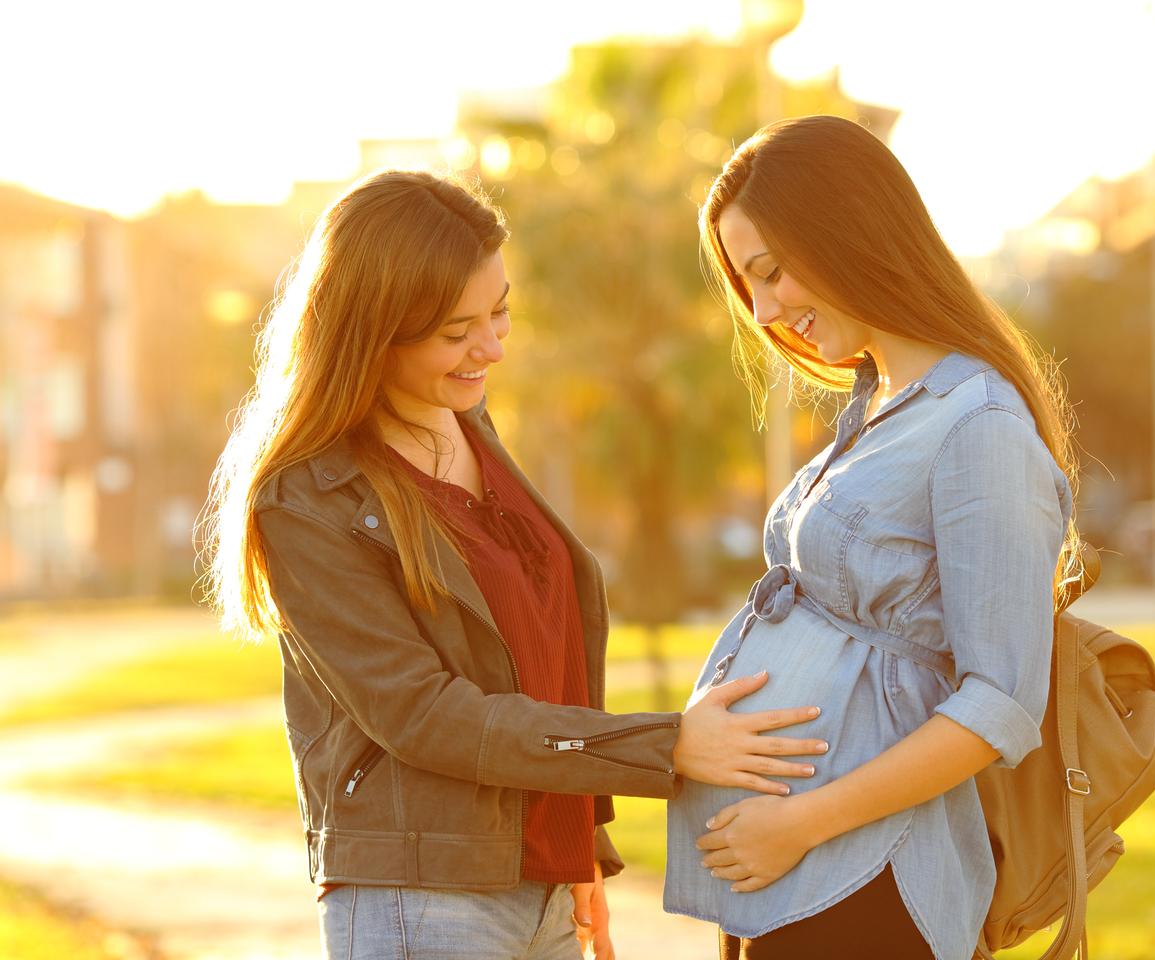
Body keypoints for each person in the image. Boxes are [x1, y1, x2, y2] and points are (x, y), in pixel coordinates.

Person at [197, 169, 828, 960]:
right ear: (371, 330)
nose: (491, 347)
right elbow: (424, 715)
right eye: (457, 331)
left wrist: (583, 847)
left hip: (542, 892)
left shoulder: (465, 420)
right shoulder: (308, 499)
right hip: (421, 900)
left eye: (499, 313)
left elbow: (539, 646)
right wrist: (662, 744)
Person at [663, 115, 1082, 960]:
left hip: (866, 882)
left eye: (772, 273)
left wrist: (799, 824)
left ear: (847, 232)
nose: (766, 310)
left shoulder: (978, 424)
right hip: (792, 881)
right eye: (751, 285)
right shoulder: (879, 405)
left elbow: (998, 702)